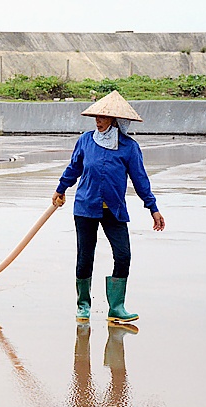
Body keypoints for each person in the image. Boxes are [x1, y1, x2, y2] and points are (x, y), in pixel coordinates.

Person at [52, 91, 165, 323]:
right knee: (85, 256)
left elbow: (140, 179)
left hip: (113, 209)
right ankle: (83, 305)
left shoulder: (129, 147)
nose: (98, 120)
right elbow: (73, 169)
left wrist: (152, 207)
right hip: (85, 207)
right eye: (96, 116)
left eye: (103, 116)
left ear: (115, 120)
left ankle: (117, 307)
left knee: (123, 255)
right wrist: (61, 188)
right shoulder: (85, 140)